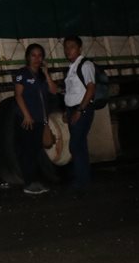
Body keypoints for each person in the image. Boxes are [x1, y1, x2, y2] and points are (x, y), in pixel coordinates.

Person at [13, 43, 59, 195]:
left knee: (36, 151)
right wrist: (26, 115)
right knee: (27, 151)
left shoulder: (41, 75)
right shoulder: (22, 73)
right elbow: (18, 95)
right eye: (33, 55)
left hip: (40, 119)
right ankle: (28, 183)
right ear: (28, 57)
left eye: (40, 55)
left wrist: (46, 74)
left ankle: (35, 181)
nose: (37, 58)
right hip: (27, 119)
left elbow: (53, 91)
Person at [62, 35, 97, 197]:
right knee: (79, 145)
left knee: (75, 145)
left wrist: (79, 110)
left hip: (82, 109)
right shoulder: (71, 67)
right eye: (66, 47)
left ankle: (81, 181)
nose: (68, 50)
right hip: (72, 109)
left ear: (80, 48)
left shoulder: (86, 65)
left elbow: (90, 89)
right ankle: (83, 179)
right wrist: (67, 110)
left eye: (72, 47)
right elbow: (71, 92)